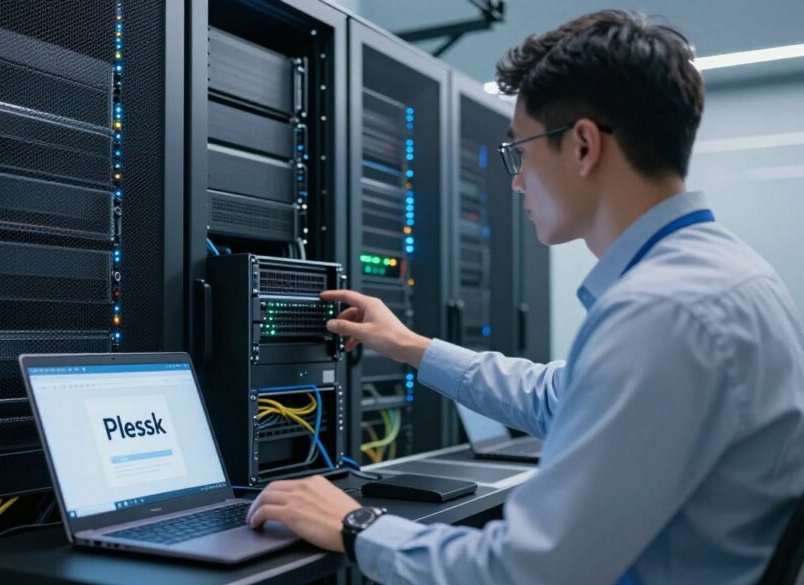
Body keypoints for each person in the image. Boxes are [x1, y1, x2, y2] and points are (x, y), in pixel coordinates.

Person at [244, 9, 804, 584]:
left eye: (521, 152)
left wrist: (357, 525)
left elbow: (528, 571)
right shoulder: (727, 276)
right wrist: (408, 345)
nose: (516, 181)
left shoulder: (662, 310)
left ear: (583, 146)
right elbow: (555, 397)